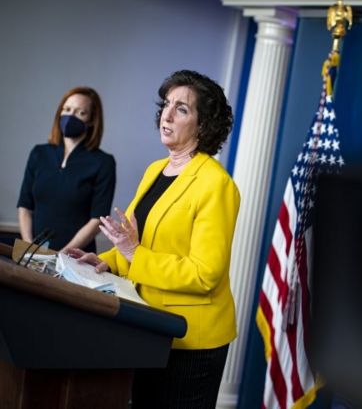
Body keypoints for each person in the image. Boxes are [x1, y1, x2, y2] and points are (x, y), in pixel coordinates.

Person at [68, 70, 240, 408]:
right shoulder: (155, 170)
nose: (167, 114)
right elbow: (135, 243)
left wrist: (131, 253)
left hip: (191, 340)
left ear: (203, 125)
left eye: (182, 109)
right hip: (148, 327)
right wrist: (106, 260)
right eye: (166, 105)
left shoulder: (216, 185)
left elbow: (205, 273)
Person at [17, 87, 116, 253]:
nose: (70, 117)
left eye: (80, 113)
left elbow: (97, 219)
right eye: (67, 109)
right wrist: (29, 246)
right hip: (33, 254)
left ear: (92, 120)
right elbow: (24, 206)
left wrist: (63, 254)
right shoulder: (39, 153)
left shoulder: (103, 162)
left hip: (75, 257)